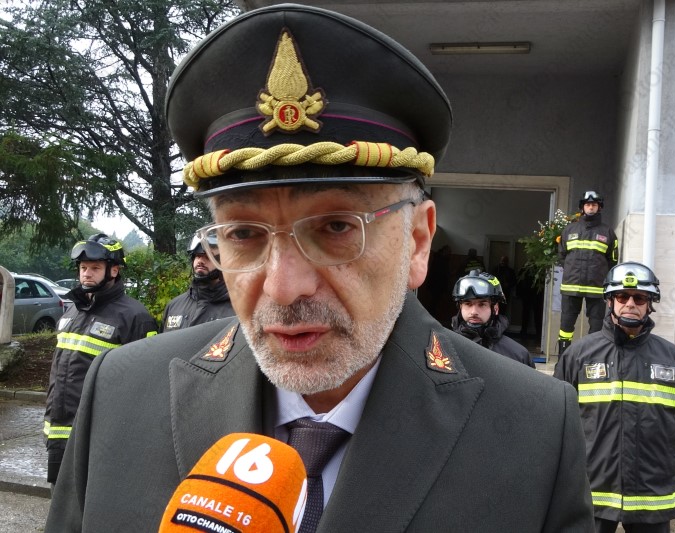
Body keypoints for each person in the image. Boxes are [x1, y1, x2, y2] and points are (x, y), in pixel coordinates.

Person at [46, 5, 594, 532]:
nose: (284, 288)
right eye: (243, 234)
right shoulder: (121, 393)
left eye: (335, 227)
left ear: (418, 241)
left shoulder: (535, 429)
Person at [554, 262, 675, 533]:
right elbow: (559, 415)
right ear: (610, 301)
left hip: (651, 494)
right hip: (593, 489)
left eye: (639, 298)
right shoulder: (578, 355)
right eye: (622, 296)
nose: (630, 303)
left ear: (650, 304)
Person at [43, 233, 157, 485]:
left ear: (114, 271)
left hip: (99, 437)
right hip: (59, 433)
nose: (87, 274)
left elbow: (145, 384)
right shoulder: (72, 311)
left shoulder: (136, 317)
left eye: (95, 268)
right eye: (83, 268)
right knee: (60, 502)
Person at [557, 190, 618, 354]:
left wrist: (599, 273)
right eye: (588, 204)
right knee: (566, 326)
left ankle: (592, 358)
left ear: (599, 207)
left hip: (596, 288)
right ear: (582, 207)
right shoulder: (569, 230)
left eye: (594, 205)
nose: (591, 207)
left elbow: (612, 260)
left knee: (596, 327)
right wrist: (571, 269)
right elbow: (561, 255)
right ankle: (563, 358)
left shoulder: (608, 232)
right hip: (571, 286)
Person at [450, 270, 533, 367]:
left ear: (495, 308)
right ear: (460, 307)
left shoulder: (519, 355)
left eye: (482, 304)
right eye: (468, 304)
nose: (473, 312)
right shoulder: (443, 348)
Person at [161, 235, 235, 332]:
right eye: (197, 256)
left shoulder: (238, 309)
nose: (200, 261)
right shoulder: (174, 306)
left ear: (222, 263)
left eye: (207, 256)